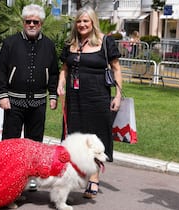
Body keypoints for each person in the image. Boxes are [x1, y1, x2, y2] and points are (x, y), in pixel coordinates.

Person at [57, 6, 122, 199]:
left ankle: (93, 177)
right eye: (79, 21)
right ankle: (74, 174)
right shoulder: (71, 43)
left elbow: (116, 68)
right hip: (74, 98)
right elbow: (64, 68)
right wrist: (60, 84)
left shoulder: (105, 42)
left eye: (86, 21)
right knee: (75, 136)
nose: (82, 24)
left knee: (96, 136)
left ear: (93, 22)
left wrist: (117, 96)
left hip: (98, 97)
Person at [0, 4, 59, 189]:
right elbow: (1, 71)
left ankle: (30, 177)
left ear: (41, 23)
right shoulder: (10, 43)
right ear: (23, 22)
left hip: (38, 102)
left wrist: (53, 95)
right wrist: (2, 95)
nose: (31, 24)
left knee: (34, 142)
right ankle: (7, 177)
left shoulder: (49, 45)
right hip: (13, 101)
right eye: (28, 21)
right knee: (11, 141)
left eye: (35, 22)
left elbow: (53, 72)